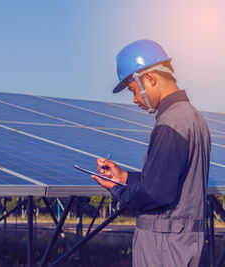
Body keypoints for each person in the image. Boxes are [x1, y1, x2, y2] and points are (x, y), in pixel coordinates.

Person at [91, 39, 211, 267]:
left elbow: (155, 194)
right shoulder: (193, 117)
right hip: (181, 244)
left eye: (133, 91)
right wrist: (124, 177)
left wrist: (115, 189)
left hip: (163, 249)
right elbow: (169, 180)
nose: (135, 99)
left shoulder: (171, 122)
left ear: (150, 78)